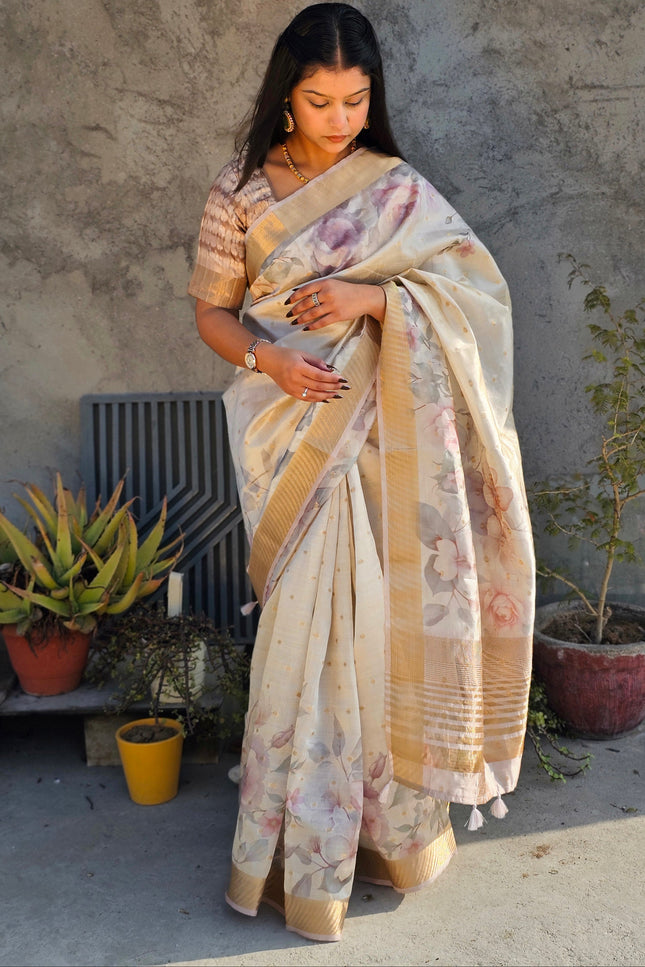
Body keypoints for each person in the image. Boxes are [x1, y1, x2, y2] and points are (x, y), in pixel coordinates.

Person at [188, 2, 535, 943]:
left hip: (385, 445)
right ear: (284, 97)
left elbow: (474, 297)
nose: (338, 118)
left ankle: (385, 833)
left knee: (373, 633)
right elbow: (214, 312)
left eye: (355, 99)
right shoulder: (241, 191)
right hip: (289, 433)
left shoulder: (396, 188)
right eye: (318, 100)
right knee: (301, 629)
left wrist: (370, 295)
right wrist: (270, 362)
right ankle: (289, 845)